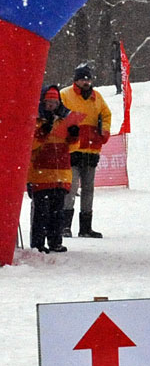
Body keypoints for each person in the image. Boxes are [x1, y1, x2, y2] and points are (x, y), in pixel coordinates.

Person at [59, 63, 112, 238]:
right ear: (76, 80)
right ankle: (65, 226)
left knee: (88, 189)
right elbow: (58, 115)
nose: (86, 82)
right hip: (72, 149)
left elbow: (106, 114)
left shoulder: (97, 97)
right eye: (83, 79)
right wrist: (68, 130)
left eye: (88, 79)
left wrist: (104, 130)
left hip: (91, 149)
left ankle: (85, 228)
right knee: (71, 188)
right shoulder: (65, 95)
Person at [26, 86, 78, 253]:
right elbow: (30, 146)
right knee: (41, 214)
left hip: (61, 174)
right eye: (49, 102)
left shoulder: (65, 119)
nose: (52, 106)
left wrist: (74, 135)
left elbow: (73, 147)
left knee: (57, 213)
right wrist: (42, 132)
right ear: (42, 102)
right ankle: (38, 244)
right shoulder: (35, 120)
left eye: (55, 102)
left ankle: (55, 241)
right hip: (40, 175)